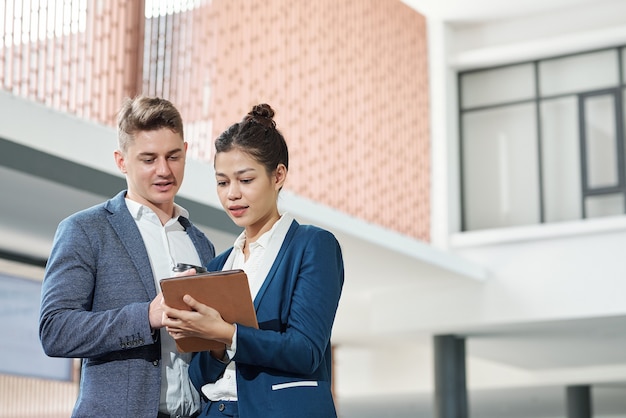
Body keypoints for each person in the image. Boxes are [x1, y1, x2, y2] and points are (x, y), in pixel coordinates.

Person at [161, 104, 344, 418]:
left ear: (278, 175)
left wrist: (226, 334)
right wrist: (210, 340)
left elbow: (306, 351)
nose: (232, 194)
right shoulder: (219, 266)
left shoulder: (312, 246)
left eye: (245, 180)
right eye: (222, 182)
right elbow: (200, 376)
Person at [39, 95, 216, 418]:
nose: (164, 170)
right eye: (149, 159)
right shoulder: (85, 230)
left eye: (173, 156)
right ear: (121, 161)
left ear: (186, 153)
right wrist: (146, 316)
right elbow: (55, 330)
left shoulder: (200, 243)